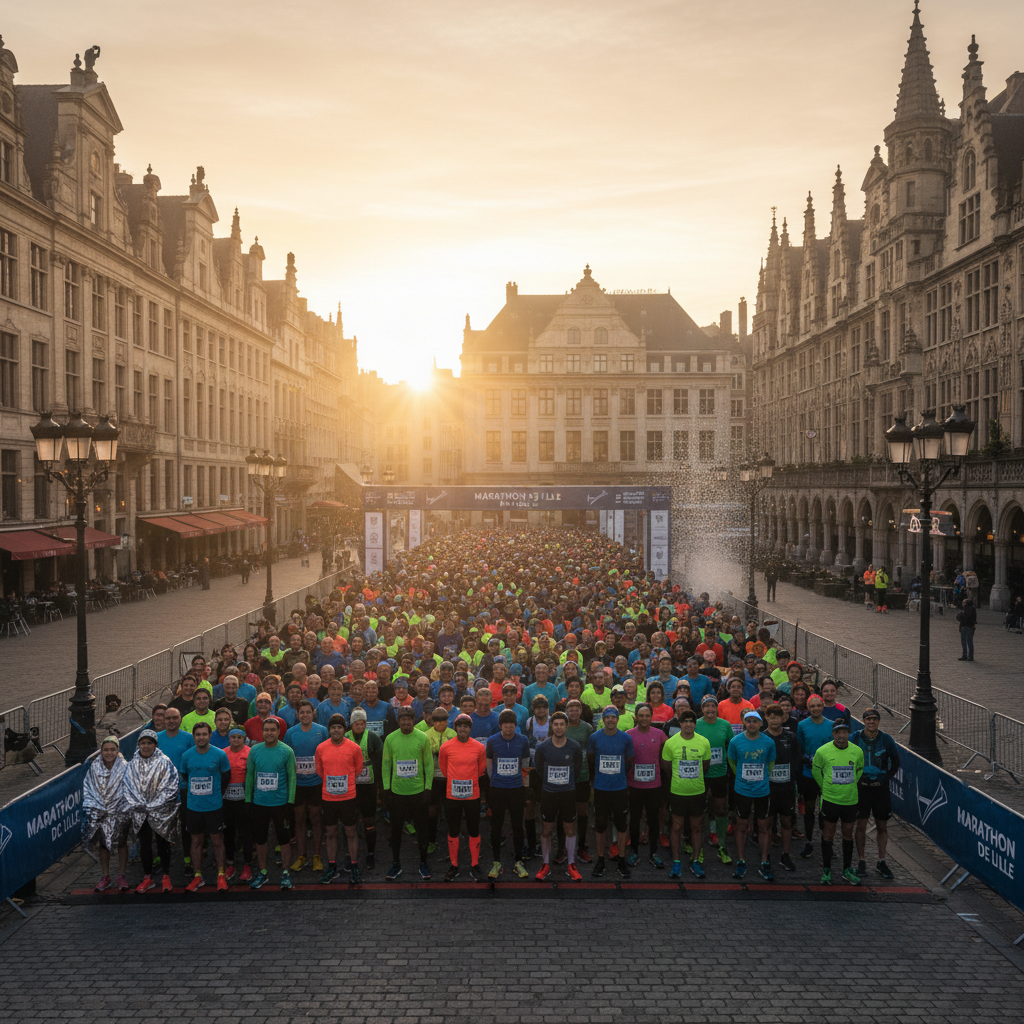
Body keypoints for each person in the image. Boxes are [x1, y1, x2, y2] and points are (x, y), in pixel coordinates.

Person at [244, 717, 298, 890]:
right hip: (259, 803)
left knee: (283, 839)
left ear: (278, 732)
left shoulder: (287, 751)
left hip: (280, 803)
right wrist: (247, 800)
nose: (269, 733)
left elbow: (292, 777)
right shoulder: (255, 750)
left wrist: (290, 802)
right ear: (262, 731)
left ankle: (285, 873)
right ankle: (263, 872)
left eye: (272, 730)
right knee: (260, 840)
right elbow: (250, 776)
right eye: (266, 730)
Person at [124, 729, 180, 893]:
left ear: (155, 745)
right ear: (139, 745)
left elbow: (171, 785)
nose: (146, 746)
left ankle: (166, 876)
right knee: (145, 844)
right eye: (143, 743)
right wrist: (140, 805)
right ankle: (148, 877)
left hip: (161, 811)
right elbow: (128, 787)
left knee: (163, 842)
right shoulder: (132, 764)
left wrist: (156, 804)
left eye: (149, 743)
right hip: (141, 812)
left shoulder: (165, 762)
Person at [178, 721, 232, 892]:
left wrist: (215, 791)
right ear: (193, 736)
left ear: (210, 735)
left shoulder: (220, 755)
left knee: (217, 840)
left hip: (214, 806)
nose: (201, 737)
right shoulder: (186, 755)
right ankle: (198, 876)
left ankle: (221, 875)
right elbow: (185, 776)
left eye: (204, 734)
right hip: (194, 807)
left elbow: (226, 776)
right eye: (198, 734)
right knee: (196, 841)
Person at [382, 705, 434, 880]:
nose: (406, 722)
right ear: (398, 721)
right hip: (397, 792)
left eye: (409, 719)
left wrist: (428, 788)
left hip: (418, 791)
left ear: (413, 721)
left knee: (422, 829)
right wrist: (386, 788)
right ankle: (395, 863)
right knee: (396, 830)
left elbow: (428, 763)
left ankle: (424, 861)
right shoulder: (390, 739)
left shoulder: (422, 738)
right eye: (403, 719)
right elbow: (386, 764)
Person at [533, 710, 584, 881]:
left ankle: (571, 864)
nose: (559, 727)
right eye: (556, 724)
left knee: (570, 829)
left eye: (562, 724)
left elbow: (576, 771)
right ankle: (545, 863)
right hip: (549, 794)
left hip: (568, 794)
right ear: (551, 726)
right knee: (546, 829)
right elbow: (540, 769)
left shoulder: (574, 747)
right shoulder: (543, 747)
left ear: (567, 726)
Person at [812, 719, 864, 884]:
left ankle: (847, 870)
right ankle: (826, 870)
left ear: (849, 733)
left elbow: (859, 769)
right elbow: (816, 770)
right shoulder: (822, 751)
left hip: (850, 800)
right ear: (833, 734)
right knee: (828, 834)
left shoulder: (857, 751)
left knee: (848, 834)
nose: (841, 736)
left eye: (844, 732)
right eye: (838, 732)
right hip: (830, 800)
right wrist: (826, 787)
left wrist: (851, 783)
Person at [316, 713, 365, 884]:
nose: (336, 730)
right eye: (333, 728)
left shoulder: (354, 748)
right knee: (331, 833)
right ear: (329, 730)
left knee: (351, 832)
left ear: (345, 730)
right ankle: (331, 866)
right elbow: (320, 770)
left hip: (348, 797)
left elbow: (358, 769)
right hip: (328, 798)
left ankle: (354, 865)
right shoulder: (321, 748)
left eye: (339, 727)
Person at [662, 708, 711, 879]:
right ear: (680, 723)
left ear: (695, 724)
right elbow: (667, 767)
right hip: (677, 792)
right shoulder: (671, 743)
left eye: (692, 721)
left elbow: (705, 767)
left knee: (697, 827)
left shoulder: (704, 742)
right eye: (685, 721)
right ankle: (676, 861)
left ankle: (696, 860)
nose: (689, 724)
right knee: (676, 827)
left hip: (697, 791)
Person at [727, 710, 776, 881]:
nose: (752, 724)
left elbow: (771, 762)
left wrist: (762, 778)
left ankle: (764, 862)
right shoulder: (735, 741)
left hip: (762, 790)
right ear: (743, 722)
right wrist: (741, 776)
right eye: (748, 721)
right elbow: (732, 761)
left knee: (763, 826)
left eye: (755, 721)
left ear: (761, 723)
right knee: (741, 825)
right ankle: (741, 860)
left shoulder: (769, 742)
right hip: (742, 790)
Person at [586, 705, 634, 878]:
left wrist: (619, 776)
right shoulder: (594, 738)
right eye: (607, 717)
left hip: (619, 788)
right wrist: (596, 779)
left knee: (621, 825)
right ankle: (600, 858)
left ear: (617, 719)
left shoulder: (625, 738)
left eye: (613, 717)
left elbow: (629, 762)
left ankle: (621, 858)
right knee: (600, 825)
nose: (611, 720)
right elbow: (591, 762)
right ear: (603, 720)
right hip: (601, 788)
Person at [851, 708, 900, 879]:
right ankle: (862, 860)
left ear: (878, 721)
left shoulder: (886, 739)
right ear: (864, 721)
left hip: (880, 789)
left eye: (875, 719)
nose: (871, 722)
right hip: (862, 788)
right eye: (868, 719)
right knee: (861, 826)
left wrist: (886, 777)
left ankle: (881, 860)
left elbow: (896, 761)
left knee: (882, 826)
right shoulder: (855, 737)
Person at [438, 714, 488, 881]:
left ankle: (475, 864)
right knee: (453, 830)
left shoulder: (480, 748)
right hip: (452, 796)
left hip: (472, 796)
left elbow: (481, 770)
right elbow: (444, 769)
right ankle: (454, 865)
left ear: (470, 728)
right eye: (460, 726)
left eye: (466, 726)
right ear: (455, 728)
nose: (463, 729)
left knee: (474, 830)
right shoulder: (446, 747)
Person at [484, 709, 532, 879]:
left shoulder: (523, 740)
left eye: (511, 727)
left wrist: (525, 788)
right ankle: (496, 862)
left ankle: (518, 861)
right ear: (500, 726)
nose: (509, 730)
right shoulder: (492, 741)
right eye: (505, 727)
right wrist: (496, 781)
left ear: (515, 726)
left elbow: (525, 765)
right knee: (496, 826)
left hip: (517, 789)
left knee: (517, 826)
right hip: (497, 789)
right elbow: (489, 767)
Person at [285, 701, 328, 874]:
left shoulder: (322, 731)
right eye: (301, 712)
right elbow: (287, 757)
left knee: (316, 819)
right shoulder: (290, 733)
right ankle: (302, 855)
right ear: (297, 714)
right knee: (300, 819)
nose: (304, 715)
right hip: (298, 784)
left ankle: (317, 855)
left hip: (316, 783)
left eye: (308, 712)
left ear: (313, 713)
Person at [83, 736, 130, 892]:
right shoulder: (94, 768)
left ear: (117, 751)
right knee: (104, 845)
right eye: (106, 750)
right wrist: (95, 809)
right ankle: (105, 876)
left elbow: (130, 789)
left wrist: (123, 808)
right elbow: (88, 789)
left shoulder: (125, 767)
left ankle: (122, 875)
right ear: (101, 751)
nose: (109, 753)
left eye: (112, 749)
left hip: (120, 813)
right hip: (102, 813)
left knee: (122, 843)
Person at [626, 703, 667, 869]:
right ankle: (634, 850)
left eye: (647, 715)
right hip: (634, 785)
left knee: (653, 819)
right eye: (640, 716)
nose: (644, 719)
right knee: (634, 819)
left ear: (651, 717)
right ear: (636, 717)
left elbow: (666, 755)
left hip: (654, 785)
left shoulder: (660, 734)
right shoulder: (628, 735)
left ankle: (653, 852)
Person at [695, 695, 734, 865]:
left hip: (719, 773)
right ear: (702, 709)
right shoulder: (696, 724)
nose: (710, 709)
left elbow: (730, 746)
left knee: (720, 808)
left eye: (713, 706)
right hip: (700, 774)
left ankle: (722, 845)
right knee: (699, 810)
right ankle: (698, 846)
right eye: (706, 706)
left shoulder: (725, 725)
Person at [763, 703, 799, 872]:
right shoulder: (761, 738)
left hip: (787, 788)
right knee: (767, 823)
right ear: (766, 718)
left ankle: (785, 855)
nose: (774, 719)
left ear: (783, 718)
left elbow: (796, 758)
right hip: (768, 789)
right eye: (771, 716)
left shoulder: (791, 737)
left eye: (777, 716)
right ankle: (766, 855)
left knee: (786, 822)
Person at [796, 695, 833, 858]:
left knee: (826, 811)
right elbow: (800, 747)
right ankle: (809, 841)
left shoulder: (831, 725)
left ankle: (827, 843)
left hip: (827, 775)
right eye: (813, 706)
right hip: (808, 773)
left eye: (819, 706)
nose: (816, 708)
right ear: (808, 708)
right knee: (809, 810)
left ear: (823, 706)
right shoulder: (802, 725)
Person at [348, 707, 384, 871]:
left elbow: (380, 762)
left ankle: (370, 853)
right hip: (349, 786)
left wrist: (380, 786)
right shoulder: (345, 737)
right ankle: (350, 853)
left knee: (369, 820)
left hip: (369, 786)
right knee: (350, 821)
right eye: (356, 723)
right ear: (351, 724)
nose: (360, 726)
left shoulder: (374, 738)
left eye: (363, 723)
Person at [222, 727, 252, 882]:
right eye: (233, 737)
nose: (235, 740)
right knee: (228, 831)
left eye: (239, 737)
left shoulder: (249, 752)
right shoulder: (223, 753)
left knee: (245, 831)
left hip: (244, 799)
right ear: (229, 738)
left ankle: (247, 863)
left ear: (244, 738)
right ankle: (230, 861)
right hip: (227, 799)